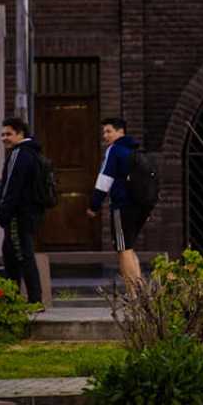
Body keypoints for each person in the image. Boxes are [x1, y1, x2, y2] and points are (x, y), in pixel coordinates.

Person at [86, 118, 149, 283]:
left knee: (123, 249)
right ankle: (140, 290)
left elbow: (104, 180)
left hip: (122, 207)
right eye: (104, 132)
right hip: (139, 206)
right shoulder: (134, 150)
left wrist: (94, 205)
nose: (105, 136)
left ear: (120, 132)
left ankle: (135, 294)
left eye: (108, 131)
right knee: (129, 247)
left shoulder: (114, 150)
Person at [0, 117, 45, 306]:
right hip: (29, 213)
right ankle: (15, 297)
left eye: (8, 134)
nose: (4, 138)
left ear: (20, 134)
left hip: (18, 215)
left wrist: (3, 212)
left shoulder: (19, 154)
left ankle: (29, 299)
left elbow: (11, 187)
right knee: (14, 253)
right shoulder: (33, 153)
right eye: (2, 134)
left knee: (20, 255)